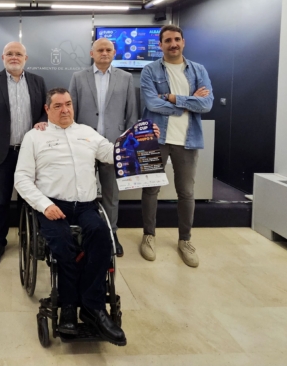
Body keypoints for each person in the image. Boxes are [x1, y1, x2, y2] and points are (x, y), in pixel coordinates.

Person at [14, 87, 126, 346]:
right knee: (62, 245)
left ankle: (92, 307)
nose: (65, 110)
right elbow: (21, 179)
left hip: (86, 205)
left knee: (101, 237)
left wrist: (141, 140)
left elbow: (112, 154)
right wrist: (44, 205)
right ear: (47, 109)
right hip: (53, 205)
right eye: (58, 106)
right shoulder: (34, 137)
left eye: (68, 104)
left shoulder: (87, 133)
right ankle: (67, 307)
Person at [140, 24, 214, 267]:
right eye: (168, 40)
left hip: (187, 139)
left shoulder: (198, 70)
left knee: (186, 192)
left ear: (183, 42)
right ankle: (149, 235)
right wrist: (189, 102)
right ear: (160, 45)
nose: (173, 44)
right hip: (156, 137)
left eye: (177, 39)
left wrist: (172, 98)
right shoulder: (150, 70)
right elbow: (152, 104)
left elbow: (207, 106)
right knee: (151, 189)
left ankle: (185, 240)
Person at [0, 41, 47, 270]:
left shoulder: (37, 82)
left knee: (30, 199)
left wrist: (43, 123)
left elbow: (43, 116)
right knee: (1, 200)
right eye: (10, 54)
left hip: (29, 153)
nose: (14, 57)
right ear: (2, 57)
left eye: (18, 54)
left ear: (26, 58)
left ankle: (30, 239)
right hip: (2, 153)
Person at [69, 37, 138, 257]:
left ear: (114, 53)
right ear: (92, 53)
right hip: (85, 145)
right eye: (100, 49)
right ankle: (83, 231)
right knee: (82, 192)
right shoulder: (78, 78)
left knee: (111, 193)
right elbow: (70, 113)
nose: (104, 53)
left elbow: (131, 115)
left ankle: (111, 233)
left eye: (109, 49)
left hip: (113, 145)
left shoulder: (126, 79)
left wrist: (127, 145)